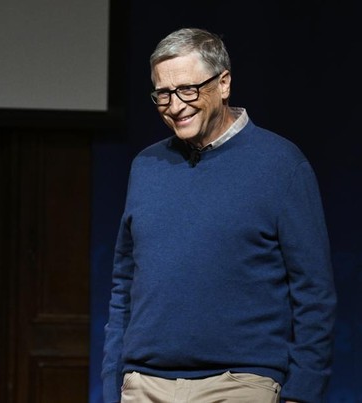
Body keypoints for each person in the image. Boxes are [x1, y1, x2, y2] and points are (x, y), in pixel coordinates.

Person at [101, 27, 337, 403]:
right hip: (144, 385)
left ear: (223, 83)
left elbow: (313, 291)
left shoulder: (280, 164)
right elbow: (124, 284)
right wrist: (113, 381)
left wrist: (302, 391)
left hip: (239, 383)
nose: (175, 105)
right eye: (163, 94)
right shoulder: (146, 166)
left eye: (187, 89)